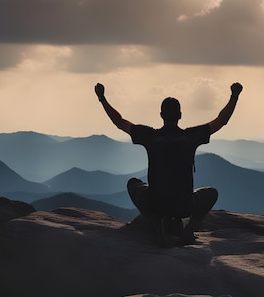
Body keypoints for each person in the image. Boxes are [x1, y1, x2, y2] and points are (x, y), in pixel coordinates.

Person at [95, 82, 243, 247]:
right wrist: (234, 96)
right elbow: (221, 121)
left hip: (154, 203)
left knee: (133, 184)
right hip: (184, 206)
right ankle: (189, 229)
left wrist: (102, 98)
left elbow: (120, 122)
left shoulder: (150, 136)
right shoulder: (191, 137)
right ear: (180, 115)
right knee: (211, 193)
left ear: (161, 115)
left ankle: (155, 221)